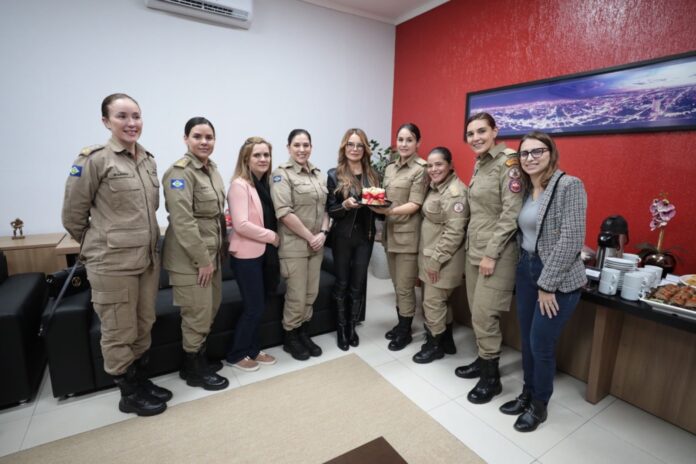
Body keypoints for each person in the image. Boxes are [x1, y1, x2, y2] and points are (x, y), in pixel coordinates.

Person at [62, 93, 171, 416]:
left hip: (147, 261)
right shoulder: (94, 159)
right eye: (122, 116)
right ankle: (127, 392)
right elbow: (73, 215)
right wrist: (101, 246)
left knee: (142, 323)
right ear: (106, 121)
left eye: (136, 116)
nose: (131, 123)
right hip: (112, 264)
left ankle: (140, 380)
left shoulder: (147, 159)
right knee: (118, 328)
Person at [499, 131, 587, 432]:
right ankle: (526, 393)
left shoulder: (568, 185)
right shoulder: (524, 189)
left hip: (558, 277)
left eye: (538, 151)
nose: (530, 158)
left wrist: (547, 285)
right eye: (524, 153)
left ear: (551, 153)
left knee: (541, 343)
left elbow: (572, 239)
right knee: (526, 337)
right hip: (526, 268)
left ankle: (539, 404)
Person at [454, 112, 523, 404]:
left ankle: (491, 379)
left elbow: (511, 213)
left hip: (496, 254)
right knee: (476, 312)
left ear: (495, 131)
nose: (476, 138)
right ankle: (484, 362)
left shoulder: (509, 162)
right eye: (470, 133)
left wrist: (491, 254)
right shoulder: (481, 163)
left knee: (485, 314)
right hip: (475, 250)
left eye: (481, 131)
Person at [162, 117, 229, 391]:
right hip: (191, 259)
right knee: (197, 313)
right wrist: (203, 260)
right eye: (198, 136)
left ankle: (196, 359)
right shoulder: (180, 173)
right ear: (186, 139)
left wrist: (217, 253)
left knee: (210, 308)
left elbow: (216, 216)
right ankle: (194, 370)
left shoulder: (211, 169)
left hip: (210, 256)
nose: (204, 142)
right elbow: (183, 221)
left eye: (209, 137)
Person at [271, 129, 329, 360]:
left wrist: (323, 232)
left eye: (306, 145)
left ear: (311, 147)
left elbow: (326, 208)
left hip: (316, 245)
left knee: (310, 294)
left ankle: (303, 332)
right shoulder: (280, 175)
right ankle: (290, 337)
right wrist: (310, 236)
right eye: (297, 145)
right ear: (288, 148)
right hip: (294, 246)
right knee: (296, 295)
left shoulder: (318, 175)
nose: (302, 149)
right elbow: (284, 213)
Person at [225, 137, 280, 371]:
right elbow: (241, 224)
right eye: (257, 155)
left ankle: (253, 349)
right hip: (246, 255)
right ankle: (236, 354)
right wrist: (272, 237)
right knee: (254, 306)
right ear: (246, 158)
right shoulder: (239, 185)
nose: (263, 159)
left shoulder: (265, 184)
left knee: (261, 304)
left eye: (266, 154)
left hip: (264, 255)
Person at [413, 147, 469, 363]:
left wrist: (436, 261)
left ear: (450, 165)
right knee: (441, 302)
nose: (433, 169)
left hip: (442, 259)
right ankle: (446, 340)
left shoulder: (455, 193)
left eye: (439, 164)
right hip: (432, 255)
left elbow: (455, 232)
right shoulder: (436, 188)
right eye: (430, 165)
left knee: (433, 303)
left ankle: (434, 344)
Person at [326, 128, 380, 350]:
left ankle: (351, 327)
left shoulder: (374, 174)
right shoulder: (334, 174)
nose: (355, 149)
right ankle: (340, 328)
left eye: (359, 145)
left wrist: (381, 205)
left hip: (365, 237)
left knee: (358, 285)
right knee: (342, 283)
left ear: (365, 149)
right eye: (351, 144)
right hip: (342, 237)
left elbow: (378, 209)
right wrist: (344, 206)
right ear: (344, 147)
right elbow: (331, 210)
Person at [376, 123, 427, 352]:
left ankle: (405, 331)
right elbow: (385, 198)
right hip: (390, 235)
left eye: (409, 140)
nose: (404, 144)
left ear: (417, 143)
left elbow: (415, 204)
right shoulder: (390, 168)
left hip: (408, 238)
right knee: (397, 284)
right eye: (401, 139)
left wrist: (388, 212)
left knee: (406, 287)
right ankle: (401, 323)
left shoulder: (421, 168)